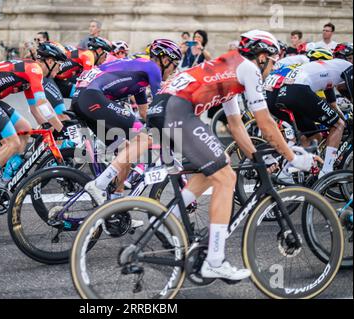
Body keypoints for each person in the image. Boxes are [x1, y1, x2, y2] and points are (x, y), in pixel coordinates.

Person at [85, 30, 317, 280]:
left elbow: (236, 125)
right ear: (262, 57)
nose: (272, 68)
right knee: (226, 177)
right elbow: (266, 124)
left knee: (217, 165)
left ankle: (171, 216)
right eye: (272, 62)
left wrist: (256, 157)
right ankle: (215, 260)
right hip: (177, 112)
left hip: (163, 110)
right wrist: (293, 158)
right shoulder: (248, 69)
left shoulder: (229, 67)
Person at [0, 45, 66, 212]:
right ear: (50, 61)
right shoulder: (35, 69)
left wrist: (47, 128)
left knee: (25, 129)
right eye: (60, 64)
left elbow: (35, 109)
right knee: (12, 143)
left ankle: (4, 181)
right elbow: (43, 103)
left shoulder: (31, 74)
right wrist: (61, 128)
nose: (61, 69)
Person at [77, 39, 181, 198]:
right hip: (92, 97)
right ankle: (99, 185)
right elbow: (161, 102)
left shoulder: (139, 76)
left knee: (125, 150)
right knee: (144, 139)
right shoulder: (152, 67)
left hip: (83, 100)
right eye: (175, 64)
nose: (175, 70)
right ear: (165, 60)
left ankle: (116, 207)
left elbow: (146, 113)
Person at [273, 57, 351, 178]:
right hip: (299, 89)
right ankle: (327, 172)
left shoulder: (329, 71)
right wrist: (344, 121)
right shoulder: (348, 67)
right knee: (338, 125)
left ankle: (286, 173)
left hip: (284, 92)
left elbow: (333, 103)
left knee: (313, 136)